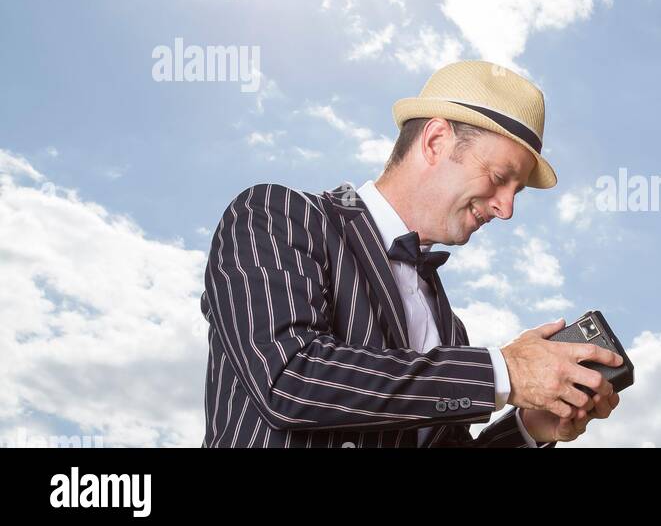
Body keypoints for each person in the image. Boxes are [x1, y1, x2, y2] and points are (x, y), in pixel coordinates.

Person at [200, 60, 623, 447]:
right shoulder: (277, 216)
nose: (506, 208)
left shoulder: (449, 329)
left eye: (517, 192)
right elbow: (287, 379)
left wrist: (529, 428)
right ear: (436, 141)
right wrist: (504, 373)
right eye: (499, 178)